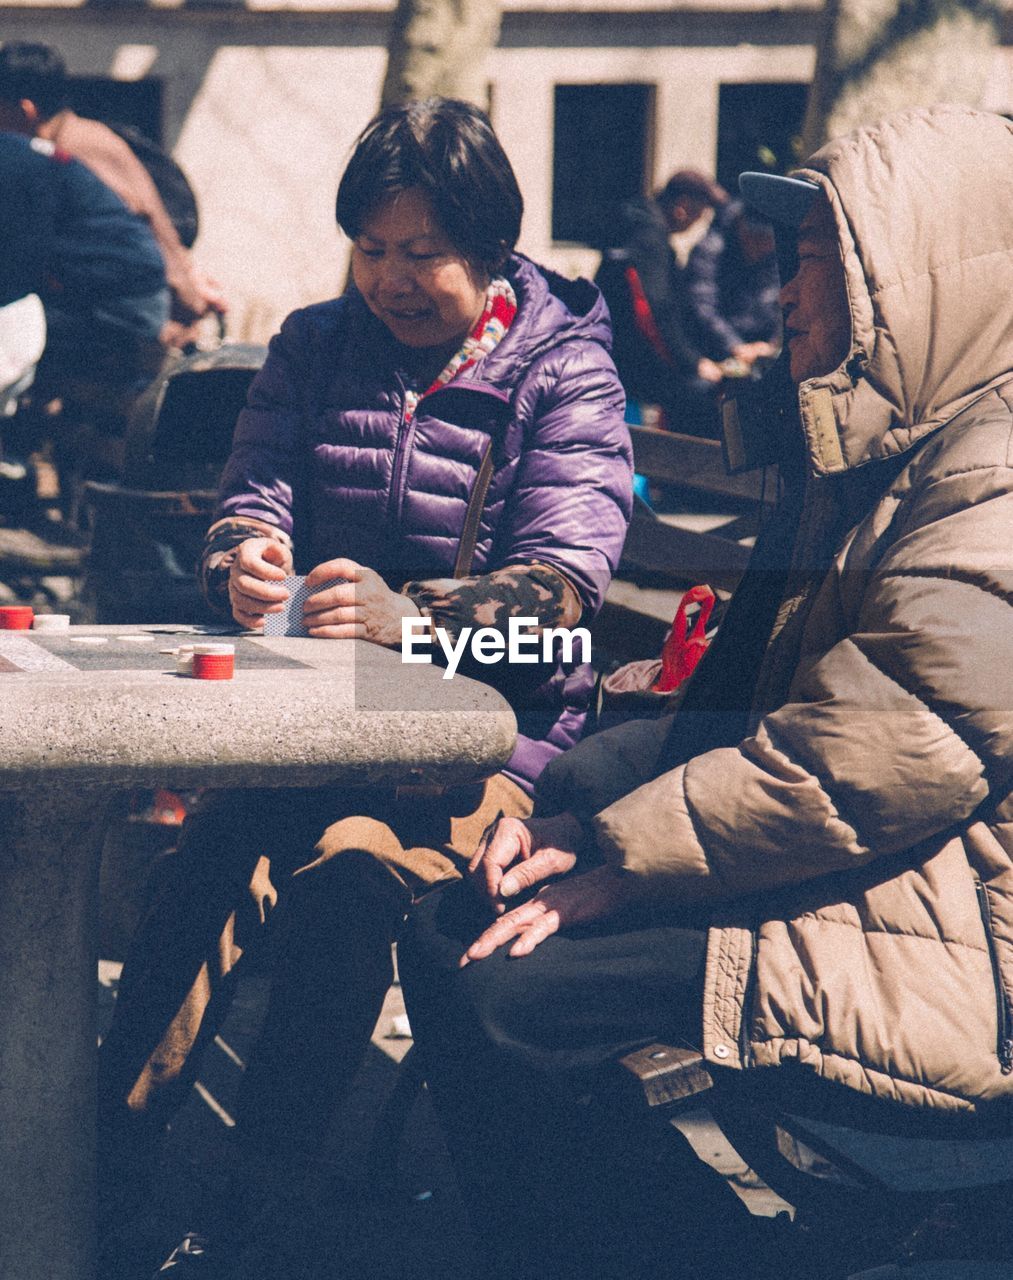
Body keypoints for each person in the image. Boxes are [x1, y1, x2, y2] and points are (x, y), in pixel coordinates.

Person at [399, 104, 1013, 1280]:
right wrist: (579, 817)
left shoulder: (987, 496)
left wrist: (616, 855)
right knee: (452, 929)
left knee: (504, 989)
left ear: (915, 276)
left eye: (815, 261)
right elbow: (774, 711)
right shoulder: (901, 449)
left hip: (954, 950)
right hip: (858, 876)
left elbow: (866, 756)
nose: (780, 294)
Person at [95, 97, 632, 1277]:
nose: (390, 280)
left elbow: (562, 596)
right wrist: (242, 561)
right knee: (208, 863)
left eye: (422, 253)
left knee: (347, 878)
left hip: (489, 758)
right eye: (371, 249)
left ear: (490, 250)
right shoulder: (311, 345)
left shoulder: (564, 373)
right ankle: (108, 1171)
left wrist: (415, 621)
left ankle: (251, 1213)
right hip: (310, 733)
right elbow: (253, 496)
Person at [0, 41, 226, 350]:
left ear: (27, 109)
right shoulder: (69, 141)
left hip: (127, 308)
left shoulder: (76, 148)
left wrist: (186, 296)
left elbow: (147, 222)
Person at [0, 129, 168, 522]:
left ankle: (13, 462)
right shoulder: (25, 153)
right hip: (94, 298)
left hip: (121, 306)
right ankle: (14, 460)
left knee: (17, 333)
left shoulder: (15, 161)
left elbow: (21, 259)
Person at [596, 170, 728, 432]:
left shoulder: (633, 227)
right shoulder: (650, 240)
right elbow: (653, 313)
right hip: (632, 370)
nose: (697, 224)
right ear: (682, 208)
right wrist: (693, 362)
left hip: (611, 357)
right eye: (699, 215)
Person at [683, 199, 781, 368]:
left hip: (762, 347)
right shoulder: (710, 249)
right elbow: (701, 305)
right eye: (756, 237)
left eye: (768, 239)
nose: (762, 246)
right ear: (740, 224)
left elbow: (784, 302)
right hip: (714, 350)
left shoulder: (776, 252)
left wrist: (774, 344)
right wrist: (735, 346)